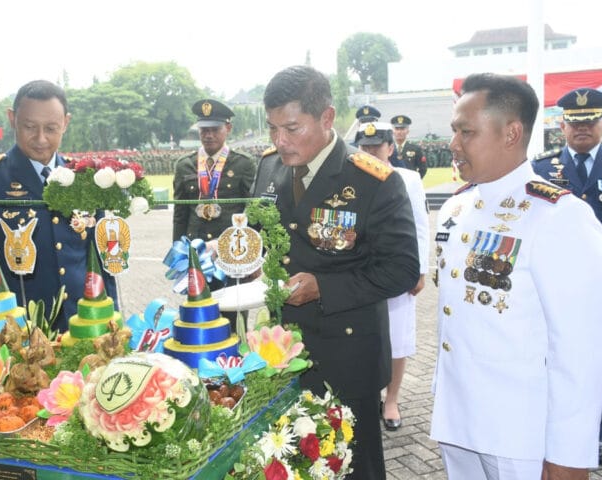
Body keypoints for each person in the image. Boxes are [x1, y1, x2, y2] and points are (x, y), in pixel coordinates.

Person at [432, 73, 602, 479]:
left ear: (511, 133)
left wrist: (568, 456)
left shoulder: (558, 218)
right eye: (454, 131)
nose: (454, 145)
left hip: (520, 433)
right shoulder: (456, 209)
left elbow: (581, 354)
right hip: (458, 419)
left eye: (467, 132)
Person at [252, 65, 420, 480]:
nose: (280, 140)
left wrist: (323, 287)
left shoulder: (373, 180)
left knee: (353, 466)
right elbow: (258, 235)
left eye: (291, 128)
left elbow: (401, 270)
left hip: (346, 356)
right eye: (273, 128)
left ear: (326, 118)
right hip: (279, 352)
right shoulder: (269, 168)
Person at [0, 80, 116, 333]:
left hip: (85, 323)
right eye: (30, 127)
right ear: (12, 119)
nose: (41, 139)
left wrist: (110, 316)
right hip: (19, 328)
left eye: (51, 128)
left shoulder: (86, 179)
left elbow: (101, 259)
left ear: (66, 122)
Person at [532, 87, 602, 466]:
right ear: (563, 125)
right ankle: (548, 428)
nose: (582, 129)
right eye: (574, 122)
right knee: (549, 353)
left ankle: (595, 432)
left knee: (601, 356)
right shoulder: (542, 168)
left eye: (590, 121)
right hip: (551, 279)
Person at [355, 121, 429, 431]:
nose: (371, 151)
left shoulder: (408, 179)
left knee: (397, 338)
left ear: (390, 147)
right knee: (364, 337)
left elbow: (420, 225)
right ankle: (367, 393)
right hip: (360, 271)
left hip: (397, 269)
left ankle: (392, 399)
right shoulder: (349, 178)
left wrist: (420, 269)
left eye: (377, 145)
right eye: (365, 146)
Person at [172, 99, 257, 242]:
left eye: (215, 130)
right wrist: (178, 251)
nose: (209, 135)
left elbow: (251, 209)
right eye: (204, 130)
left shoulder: (243, 164)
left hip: (229, 246)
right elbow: (180, 214)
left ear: (228, 128)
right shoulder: (184, 165)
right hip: (195, 245)